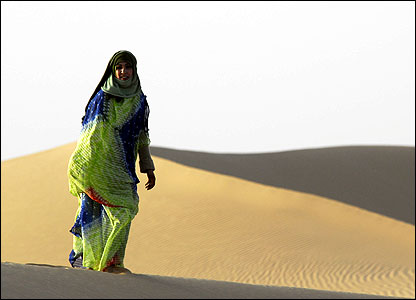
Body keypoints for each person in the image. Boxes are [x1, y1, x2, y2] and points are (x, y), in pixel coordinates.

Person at [67, 50, 156, 274]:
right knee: (93, 212)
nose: (123, 72)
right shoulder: (102, 98)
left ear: (135, 70)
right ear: (112, 71)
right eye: (119, 68)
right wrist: (82, 166)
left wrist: (148, 167)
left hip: (123, 170)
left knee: (126, 210)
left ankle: (112, 262)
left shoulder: (140, 101)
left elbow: (142, 136)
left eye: (128, 67)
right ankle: (93, 263)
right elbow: (90, 135)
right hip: (97, 167)